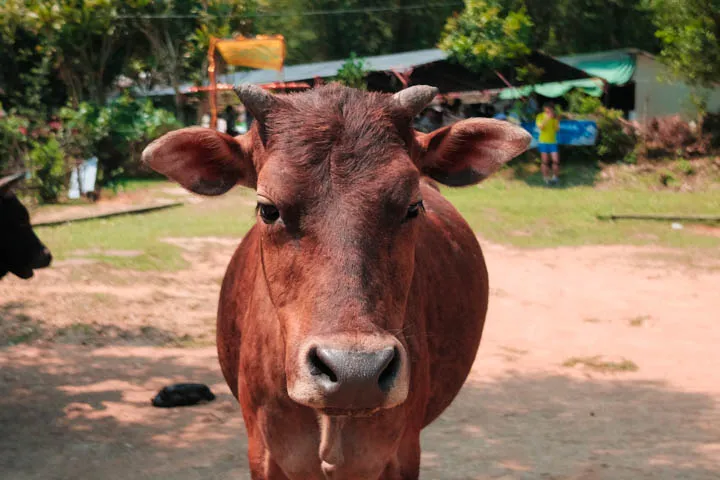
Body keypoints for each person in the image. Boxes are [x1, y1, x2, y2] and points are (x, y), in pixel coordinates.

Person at [536, 102, 561, 185]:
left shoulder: (554, 117)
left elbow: (557, 130)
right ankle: (546, 178)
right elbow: (541, 127)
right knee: (545, 161)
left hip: (553, 142)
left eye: (551, 109)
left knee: (555, 161)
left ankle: (555, 178)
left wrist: (557, 120)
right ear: (544, 108)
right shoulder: (540, 116)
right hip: (543, 142)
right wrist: (547, 118)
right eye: (548, 108)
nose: (549, 110)